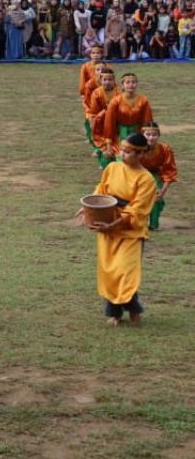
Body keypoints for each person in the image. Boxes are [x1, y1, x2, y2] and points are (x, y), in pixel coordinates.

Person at [83, 133, 154, 326]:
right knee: (110, 271)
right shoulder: (112, 168)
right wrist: (88, 208)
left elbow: (137, 211)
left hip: (130, 231)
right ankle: (113, 313)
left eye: (128, 151)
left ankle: (133, 308)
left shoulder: (146, 180)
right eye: (121, 149)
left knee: (125, 272)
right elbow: (101, 191)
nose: (122, 154)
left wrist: (113, 225)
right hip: (107, 226)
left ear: (140, 154)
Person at [102, 73, 153, 159]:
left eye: (133, 82)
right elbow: (109, 123)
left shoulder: (143, 100)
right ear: (122, 85)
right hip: (120, 134)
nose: (131, 85)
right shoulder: (115, 101)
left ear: (137, 83)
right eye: (127, 82)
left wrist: (146, 138)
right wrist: (109, 143)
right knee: (121, 157)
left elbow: (147, 120)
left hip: (137, 133)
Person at [139, 123, 177, 231]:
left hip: (155, 175)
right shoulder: (137, 148)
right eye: (148, 134)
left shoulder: (165, 149)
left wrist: (162, 191)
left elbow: (169, 171)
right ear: (143, 135)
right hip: (138, 175)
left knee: (156, 197)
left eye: (154, 134)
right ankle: (139, 223)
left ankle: (153, 225)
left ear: (159, 135)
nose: (151, 137)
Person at [86, 68, 119, 169]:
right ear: (101, 80)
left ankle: (114, 164)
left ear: (114, 80)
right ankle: (104, 162)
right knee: (103, 144)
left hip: (115, 123)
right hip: (100, 123)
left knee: (115, 145)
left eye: (110, 80)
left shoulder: (118, 92)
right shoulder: (96, 93)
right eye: (105, 80)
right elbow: (93, 112)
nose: (107, 82)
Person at [79, 46, 104, 142]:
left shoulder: (106, 67)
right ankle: (90, 135)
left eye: (98, 53)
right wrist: (83, 94)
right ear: (90, 55)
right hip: (89, 96)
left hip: (102, 96)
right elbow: (82, 82)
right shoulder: (85, 67)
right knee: (89, 116)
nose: (96, 55)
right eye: (93, 53)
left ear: (101, 55)